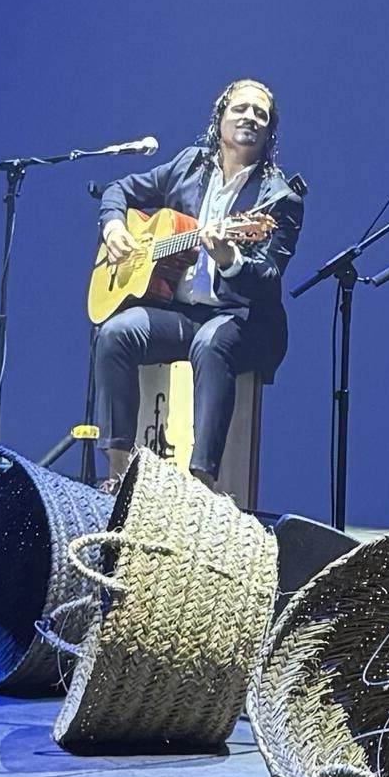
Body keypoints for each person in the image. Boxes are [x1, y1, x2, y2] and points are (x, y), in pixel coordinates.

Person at [89, 84, 305, 490]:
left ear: (269, 131)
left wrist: (230, 259)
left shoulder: (280, 198)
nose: (250, 118)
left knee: (211, 342)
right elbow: (119, 190)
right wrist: (114, 224)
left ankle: (201, 483)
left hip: (241, 320)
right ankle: (117, 475)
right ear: (220, 118)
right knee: (115, 332)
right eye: (241, 109)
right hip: (182, 314)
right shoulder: (189, 166)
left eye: (261, 115)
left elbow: (269, 277)